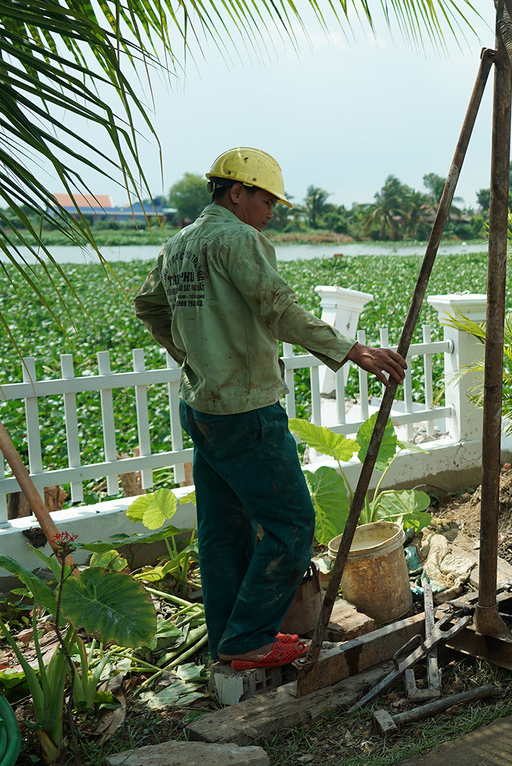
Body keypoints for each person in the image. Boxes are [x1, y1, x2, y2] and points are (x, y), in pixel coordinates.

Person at [134, 146, 407, 670]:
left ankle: (227, 640)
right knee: (291, 525)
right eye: (266, 200)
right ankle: (249, 639)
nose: (272, 212)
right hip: (247, 409)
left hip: (205, 407)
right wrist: (351, 349)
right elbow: (278, 306)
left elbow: (148, 305)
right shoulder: (239, 240)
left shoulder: (181, 243)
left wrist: (192, 351)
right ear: (237, 192)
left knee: (222, 528)